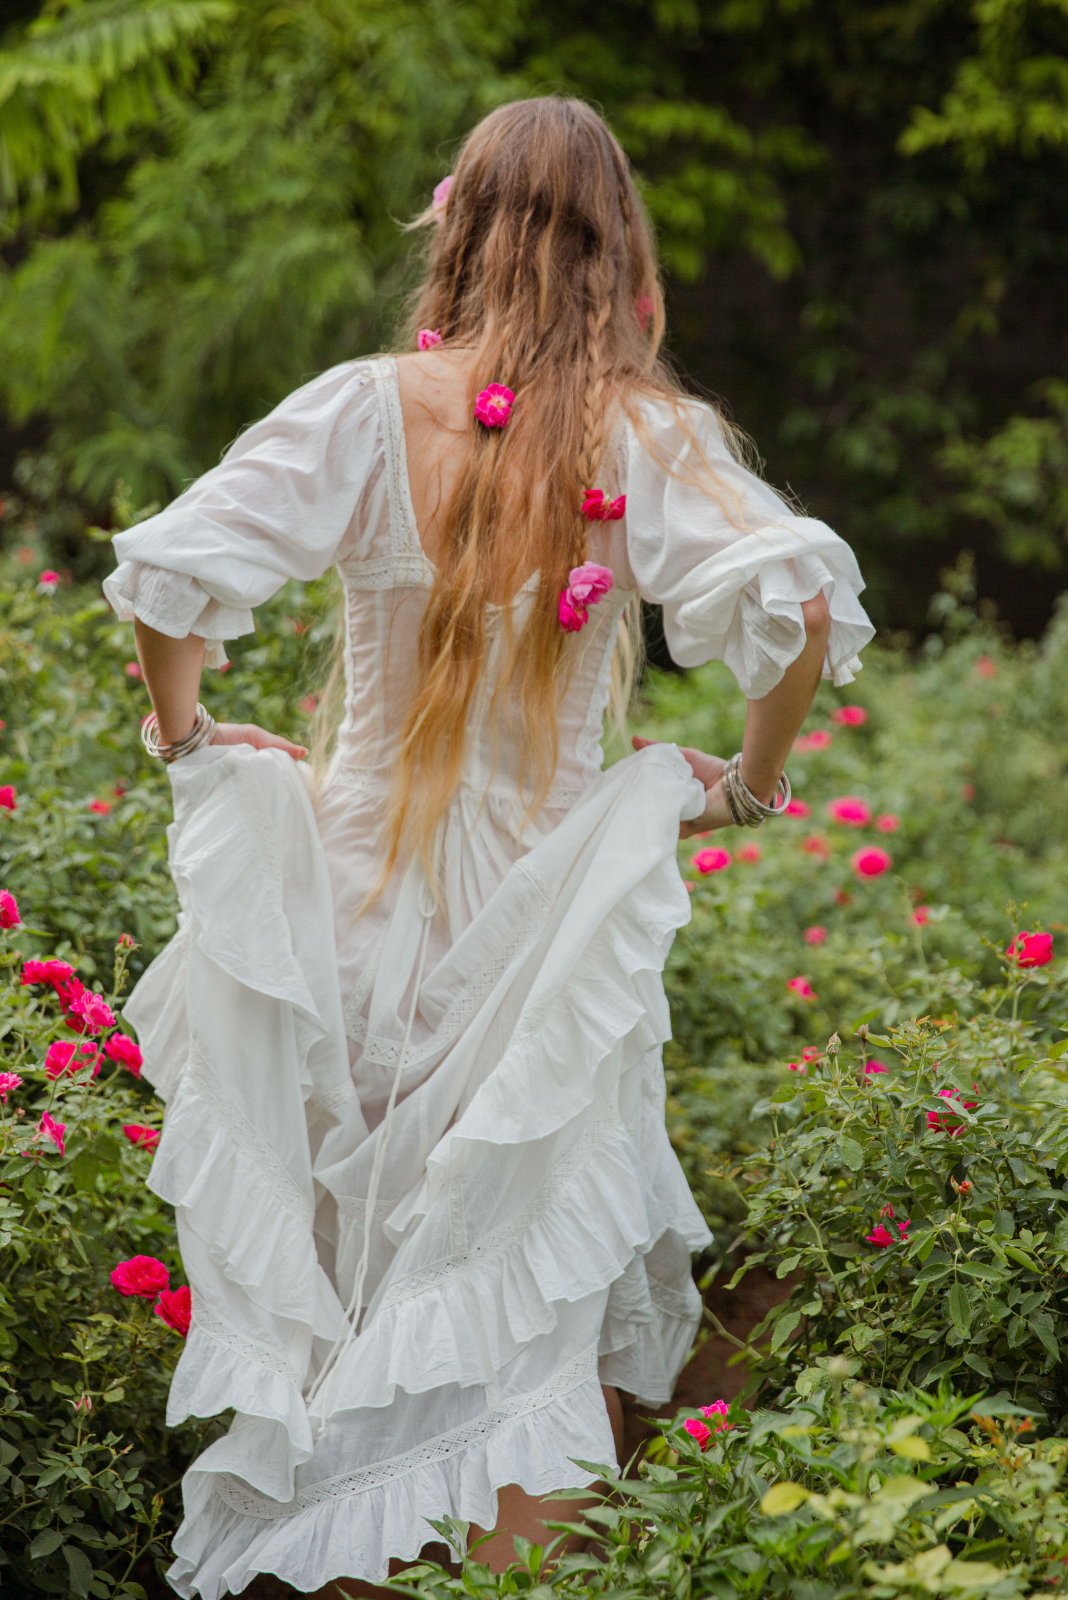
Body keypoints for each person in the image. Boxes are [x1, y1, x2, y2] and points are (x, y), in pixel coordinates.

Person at [103, 96, 873, 1599]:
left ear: (453, 229)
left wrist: (190, 736)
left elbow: (170, 573)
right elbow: (802, 614)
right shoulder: (648, 436)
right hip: (536, 939)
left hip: (342, 914)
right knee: (517, 1319)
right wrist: (749, 787)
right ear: (620, 249)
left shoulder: (361, 407)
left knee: (337, 1324)